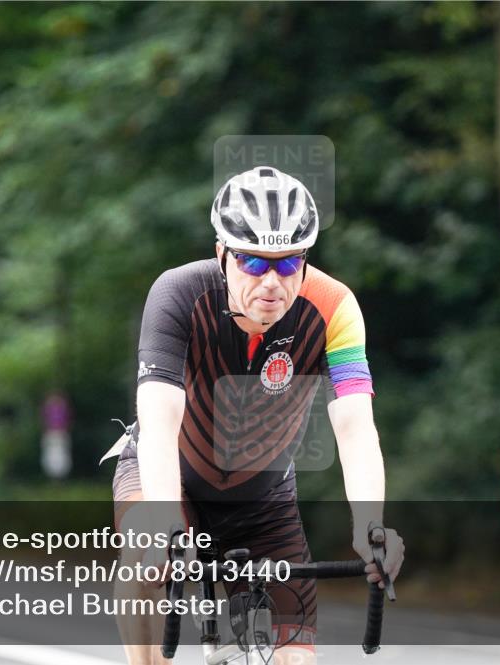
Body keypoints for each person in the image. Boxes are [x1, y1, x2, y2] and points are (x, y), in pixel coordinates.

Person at [108, 166, 404, 665]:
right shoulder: (178, 294)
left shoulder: (335, 308)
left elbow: (355, 430)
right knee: (145, 553)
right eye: (252, 262)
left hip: (261, 497)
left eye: (288, 265)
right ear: (223, 253)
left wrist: (370, 525)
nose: (271, 282)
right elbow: (158, 426)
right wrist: (163, 527)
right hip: (168, 475)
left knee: (296, 659)